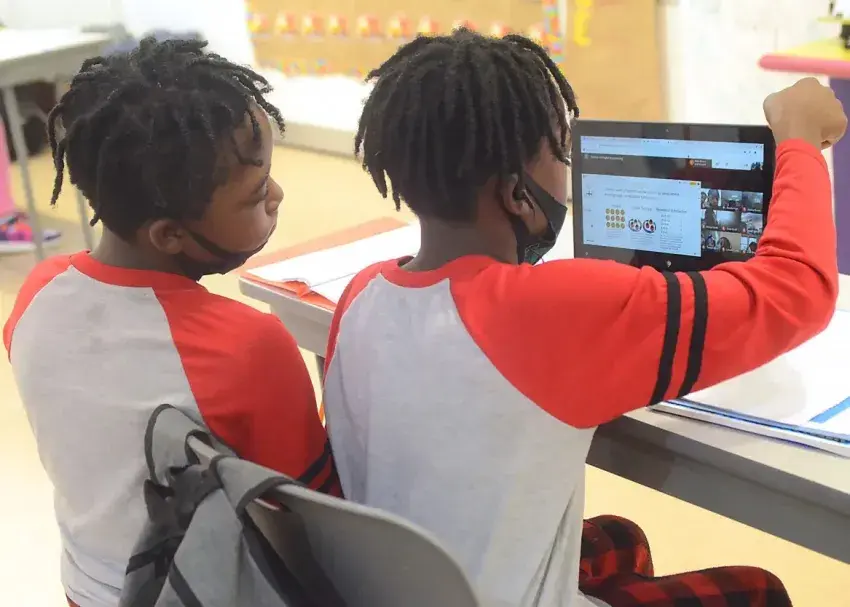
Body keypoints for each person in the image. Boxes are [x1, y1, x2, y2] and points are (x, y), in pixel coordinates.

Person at [323, 29, 844, 607]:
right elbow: (797, 289)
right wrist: (799, 140)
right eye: (561, 153)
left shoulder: (360, 295)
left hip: (409, 586)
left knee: (617, 539)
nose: (566, 172)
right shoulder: (549, 311)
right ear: (517, 193)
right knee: (758, 591)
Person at [3, 38, 339, 607]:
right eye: (257, 194)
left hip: (87, 586)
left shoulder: (37, 292)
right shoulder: (245, 346)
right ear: (170, 235)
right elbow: (310, 517)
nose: (278, 196)